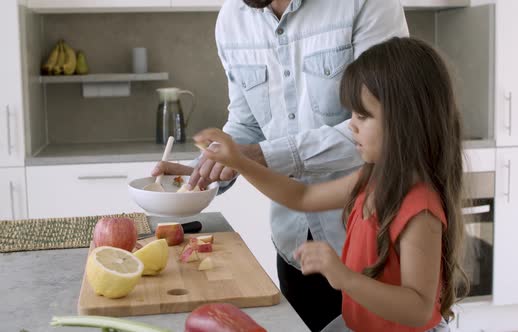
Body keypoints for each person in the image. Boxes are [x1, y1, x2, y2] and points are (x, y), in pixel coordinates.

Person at [152, 1, 409, 330]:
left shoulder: (365, 4)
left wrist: (255, 156)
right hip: (296, 249)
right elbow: (247, 124)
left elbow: (385, 121)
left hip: (370, 248)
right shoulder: (233, 19)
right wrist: (206, 168)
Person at [193, 37, 469, 331]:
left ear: (406, 120)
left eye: (363, 115)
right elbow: (302, 196)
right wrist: (240, 162)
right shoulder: (374, 178)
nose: (351, 124)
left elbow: (417, 309)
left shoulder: (419, 208)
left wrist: (344, 277)